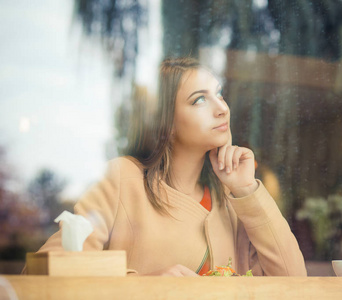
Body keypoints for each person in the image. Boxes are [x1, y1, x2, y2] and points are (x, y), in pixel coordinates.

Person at [25, 57, 307, 276]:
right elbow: (46, 271)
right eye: (199, 99)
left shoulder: (234, 198)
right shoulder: (123, 179)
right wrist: (144, 283)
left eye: (219, 94)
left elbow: (294, 281)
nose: (222, 108)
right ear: (167, 124)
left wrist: (246, 189)